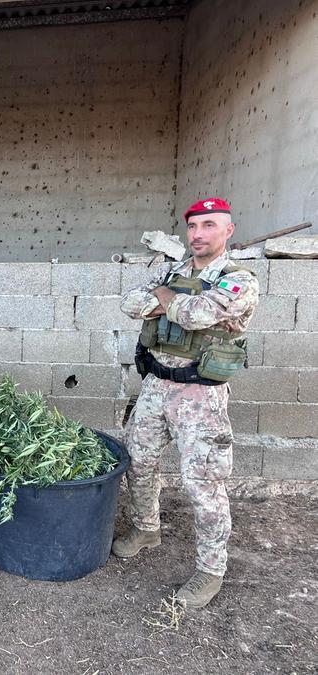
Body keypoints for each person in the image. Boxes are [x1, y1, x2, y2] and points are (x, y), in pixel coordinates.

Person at [113, 198, 259, 609]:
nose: (198, 234)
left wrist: (163, 298)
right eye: (193, 227)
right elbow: (129, 304)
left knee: (203, 482)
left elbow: (197, 315)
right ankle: (146, 528)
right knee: (138, 459)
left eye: (209, 226)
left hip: (201, 394)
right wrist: (174, 298)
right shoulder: (173, 271)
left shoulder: (238, 280)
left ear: (227, 231)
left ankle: (211, 570)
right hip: (156, 385)